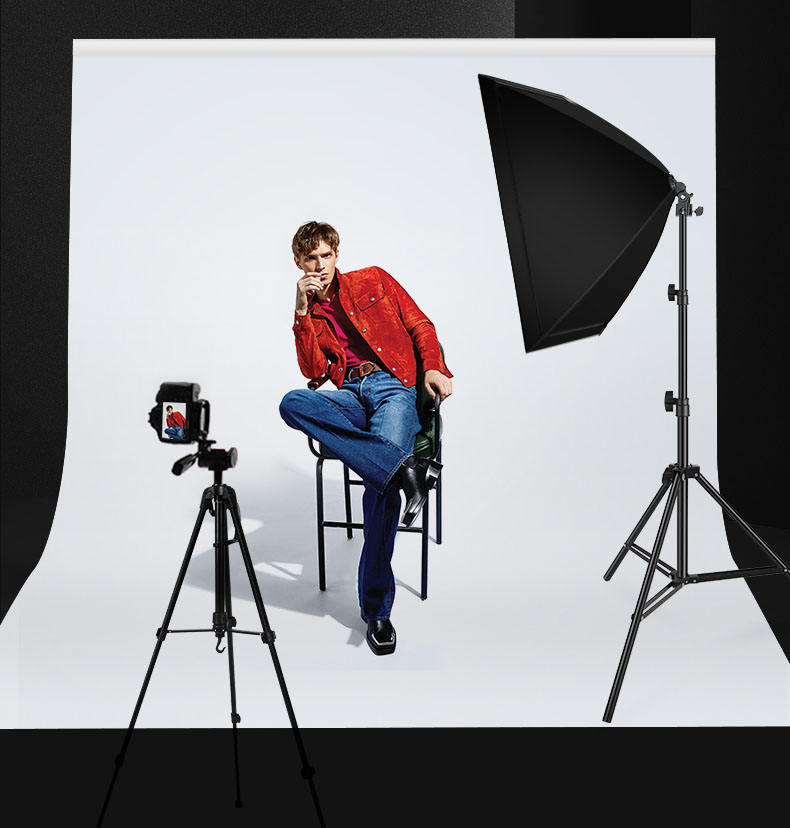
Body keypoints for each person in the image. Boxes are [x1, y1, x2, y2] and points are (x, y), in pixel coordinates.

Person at [279, 221, 453, 655]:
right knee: (293, 403)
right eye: (311, 259)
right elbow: (312, 371)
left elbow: (420, 324)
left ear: (337, 255)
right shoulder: (310, 310)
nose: (320, 265)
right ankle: (405, 469)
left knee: (379, 487)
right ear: (298, 263)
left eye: (326, 256)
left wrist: (434, 366)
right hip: (352, 394)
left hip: (395, 387)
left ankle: (376, 609)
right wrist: (301, 310)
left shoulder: (373, 279)